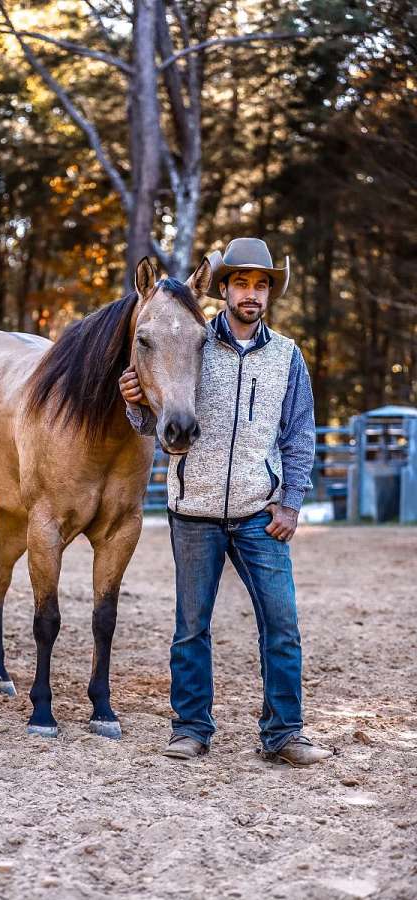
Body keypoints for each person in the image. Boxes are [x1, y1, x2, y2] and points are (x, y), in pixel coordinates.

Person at [119, 238, 333, 767]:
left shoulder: (287, 357)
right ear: (224, 289)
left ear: (270, 295)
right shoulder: (191, 341)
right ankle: (191, 728)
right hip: (194, 511)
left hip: (261, 513)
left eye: (261, 285)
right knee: (191, 627)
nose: (251, 294)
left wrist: (290, 503)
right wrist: (134, 406)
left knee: (282, 627)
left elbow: (299, 434)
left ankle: (283, 732)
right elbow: (155, 421)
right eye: (241, 283)